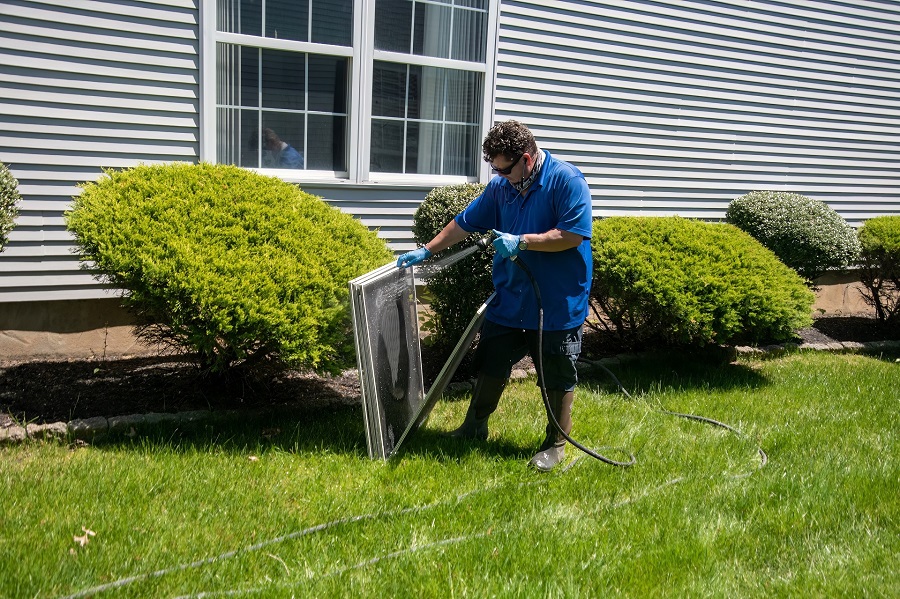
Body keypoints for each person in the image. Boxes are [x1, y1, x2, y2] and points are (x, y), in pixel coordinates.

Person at [396, 120, 593, 472]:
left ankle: (556, 445)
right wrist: (427, 250)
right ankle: (474, 427)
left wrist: (523, 241)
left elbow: (571, 235)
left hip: (556, 301)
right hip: (511, 296)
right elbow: (464, 223)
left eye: (505, 169)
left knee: (556, 372)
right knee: (491, 359)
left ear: (527, 160)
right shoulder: (502, 187)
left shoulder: (567, 181)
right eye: (496, 170)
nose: (500, 176)